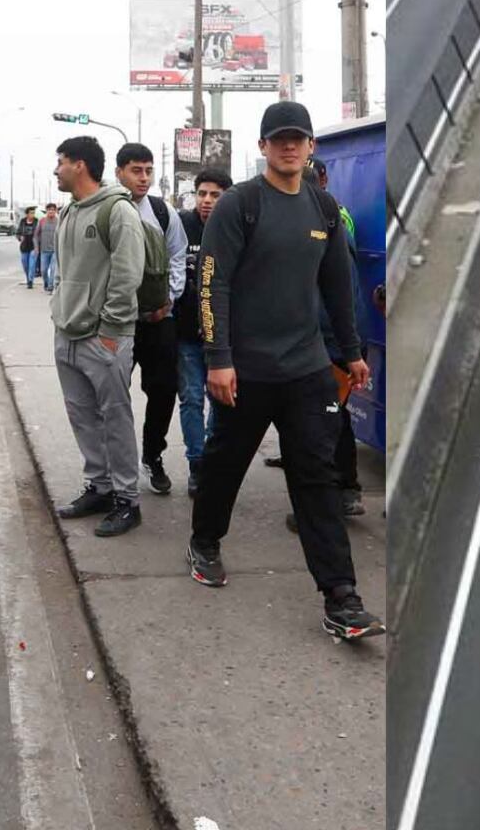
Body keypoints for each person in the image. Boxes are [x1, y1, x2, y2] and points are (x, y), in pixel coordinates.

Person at [192, 101, 382, 640]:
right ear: (263, 148)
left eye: (298, 138)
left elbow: (337, 288)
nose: (289, 146)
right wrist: (218, 359)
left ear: (311, 146)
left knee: (317, 477)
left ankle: (341, 596)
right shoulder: (239, 205)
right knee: (225, 465)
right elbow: (212, 284)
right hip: (245, 372)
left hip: (306, 370)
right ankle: (205, 541)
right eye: (279, 139)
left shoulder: (323, 209)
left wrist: (350, 351)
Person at [49, 136, 149, 537]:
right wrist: (59, 316)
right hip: (67, 333)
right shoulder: (71, 210)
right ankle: (101, 487)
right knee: (82, 417)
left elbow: (127, 276)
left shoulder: (117, 210)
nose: (56, 169)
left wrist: (110, 331)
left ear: (79, 165)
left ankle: (127, 499)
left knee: (115, 418)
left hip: (103, 337)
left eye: (60, 162)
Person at [272, 156, 369, 522]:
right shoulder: (335, 220)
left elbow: (336, 294)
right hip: (334, 343)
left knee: (320, 427)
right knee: (334, 420)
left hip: (326, 345)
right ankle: (346, 491)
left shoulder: (324, 226)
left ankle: (331, 500)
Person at [114, 144, 189, 496]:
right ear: (119, 173)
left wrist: (168, 300)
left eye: (147, 170)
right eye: (135, 170)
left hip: (159, 321)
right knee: (113, 394)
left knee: (163, 391)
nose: (142, 178)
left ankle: (152, 456)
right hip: (118, 324)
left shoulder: (161, 211)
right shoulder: (108, 210)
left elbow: (177, 255)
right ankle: (116, 467)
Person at [170, 166, 230, 497]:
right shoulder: (181, 225)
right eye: (202, 194)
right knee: (191, 399)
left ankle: (212, 460)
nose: (207, 201)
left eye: (215, 195)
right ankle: (197, 464)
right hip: (186, 335)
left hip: (221, 338)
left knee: (220, 401)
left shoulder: (234, 227)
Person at [36, 202, 60, 292]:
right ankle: (46, 283)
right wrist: (36, 247)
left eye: (53, 210)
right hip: (44, 250)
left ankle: (51, 286)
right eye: (49, 210)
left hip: (55, 250)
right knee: (43, 270)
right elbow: (36, 235)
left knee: (53, 269)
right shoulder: (42, 221)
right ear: (46, 211)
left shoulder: (59, 221)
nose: (51, 211)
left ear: (55, 211)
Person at [15, 206, 39, 287]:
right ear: (27, 214)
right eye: (31, 213)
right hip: (24, 247)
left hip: (33, 246)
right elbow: (18, 232)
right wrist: (19, 237)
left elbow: (39, 233)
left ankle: (30, 281)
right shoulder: (22, 221)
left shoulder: (36, 221)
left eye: (33, 213)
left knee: (32, 265)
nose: (33, 214)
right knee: (25, 265)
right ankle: (28, 278)